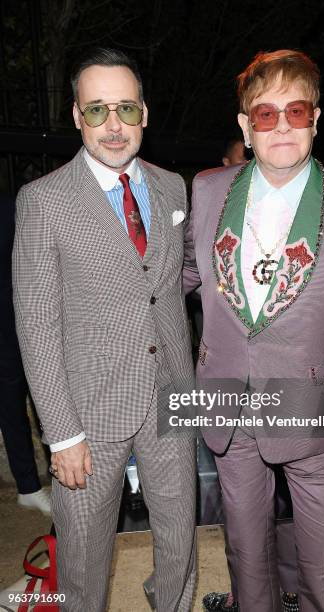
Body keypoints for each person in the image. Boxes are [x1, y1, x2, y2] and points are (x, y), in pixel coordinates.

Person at [184, 49, 324, 611]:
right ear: (245, 128)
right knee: (245, 547)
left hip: (315, 402)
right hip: (228, 399)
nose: (281, 126)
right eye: (266, 114)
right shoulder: (207, 191)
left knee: (323, 549)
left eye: (295, 112)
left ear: (316, 121)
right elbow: (183, 273)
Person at [12, 48, 196, 612]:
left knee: (180, 539)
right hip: (88, 412)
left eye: (125, 108)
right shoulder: (43, 202)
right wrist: (61, 433)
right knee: (84, 555)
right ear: (75, 116)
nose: (113, 126)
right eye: (96, 111)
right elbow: (36, 324)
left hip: (171, 396)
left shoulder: (171, 187)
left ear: (144, 112)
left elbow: (169, 282)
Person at [0, 193, 50, 515]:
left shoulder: (16, 204)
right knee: (11, 404)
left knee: (49, 398)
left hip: (33, 317)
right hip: (8, 327)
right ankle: (28, 486)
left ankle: (65, 478)